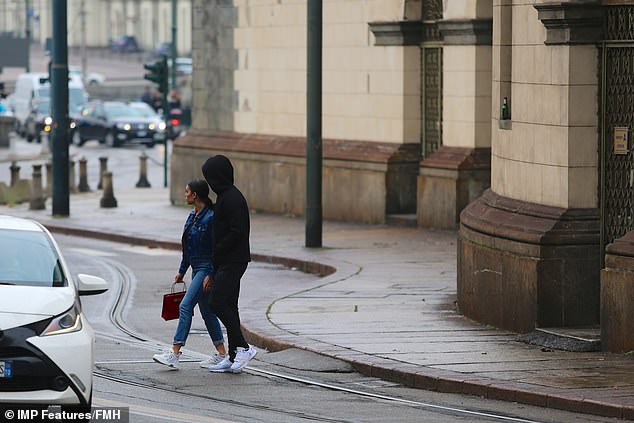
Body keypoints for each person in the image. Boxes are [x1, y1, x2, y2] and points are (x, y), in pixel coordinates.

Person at [153, 180, 227, 370]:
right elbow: (187, 248)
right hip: (196, 268)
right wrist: (181, 271)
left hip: (206, 269)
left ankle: (175, 353)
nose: (185, 194)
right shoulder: (192, 216)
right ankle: (222, 354)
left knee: (185, 306)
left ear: (195, 195)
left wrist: (212, 274)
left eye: (187, 192)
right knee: (207, 312)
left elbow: (217, 249)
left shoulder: (210, 217)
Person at [202, 155, 257, 373]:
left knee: (216, 302)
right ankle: (234, 355)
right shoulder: (224, 197)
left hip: (234, 259)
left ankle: (244, 347)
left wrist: (218, 248)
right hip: (226, 260)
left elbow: (238, 232)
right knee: (230, 305)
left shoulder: (232, 198)